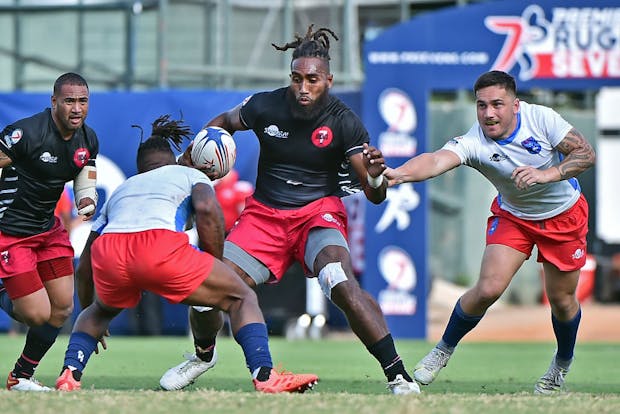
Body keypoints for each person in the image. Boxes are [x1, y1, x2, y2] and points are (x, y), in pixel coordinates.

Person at [160, 25, 420, 395]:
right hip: (264, 216)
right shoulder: (265, 105)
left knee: (339, 280)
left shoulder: (345, 121)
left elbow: (374, 195)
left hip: (317, 213)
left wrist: (377, 178)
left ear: (328, 80)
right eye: (296, 78)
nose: (303, 87)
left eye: (312, 79)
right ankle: (203, 357)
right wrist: (203, 150)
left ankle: (398, 375)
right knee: (207, 286)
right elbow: (224, 122)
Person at [54, 115, 319, 393]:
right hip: (159, 246)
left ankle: (70, 373)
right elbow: (206, 208)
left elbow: (85, 265)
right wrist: (216, 266)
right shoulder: (188, 173)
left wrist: (87, 308)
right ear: (173, 160)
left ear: (140, 167)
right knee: (242, 297)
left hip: (109, 252)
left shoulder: (124, 188)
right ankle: (265, 376)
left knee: (100, 311)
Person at [384, 70, 596, 394]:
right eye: (481, 105)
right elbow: (436, 160)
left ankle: (561, 365)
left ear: (516, 105)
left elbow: (585, 154)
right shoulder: (474, 141)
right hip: (515, 217)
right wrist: (398, 174)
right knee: (487, 289)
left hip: (563, 216)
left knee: (562, 301)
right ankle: (442, 350)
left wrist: (546, 174)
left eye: (497, 104)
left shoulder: (542, 119)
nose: (489, 113)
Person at [0, 72, 98, 392]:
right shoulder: (26, 133)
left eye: (82, 101)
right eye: (69, 101)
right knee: (37, 314)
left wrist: (86, 197)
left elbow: (85, 169)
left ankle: (21, 377)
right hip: (11, 233)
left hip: (48, 230)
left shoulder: (88, 138)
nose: (76, 108)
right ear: (54, 101)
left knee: (62, 308)